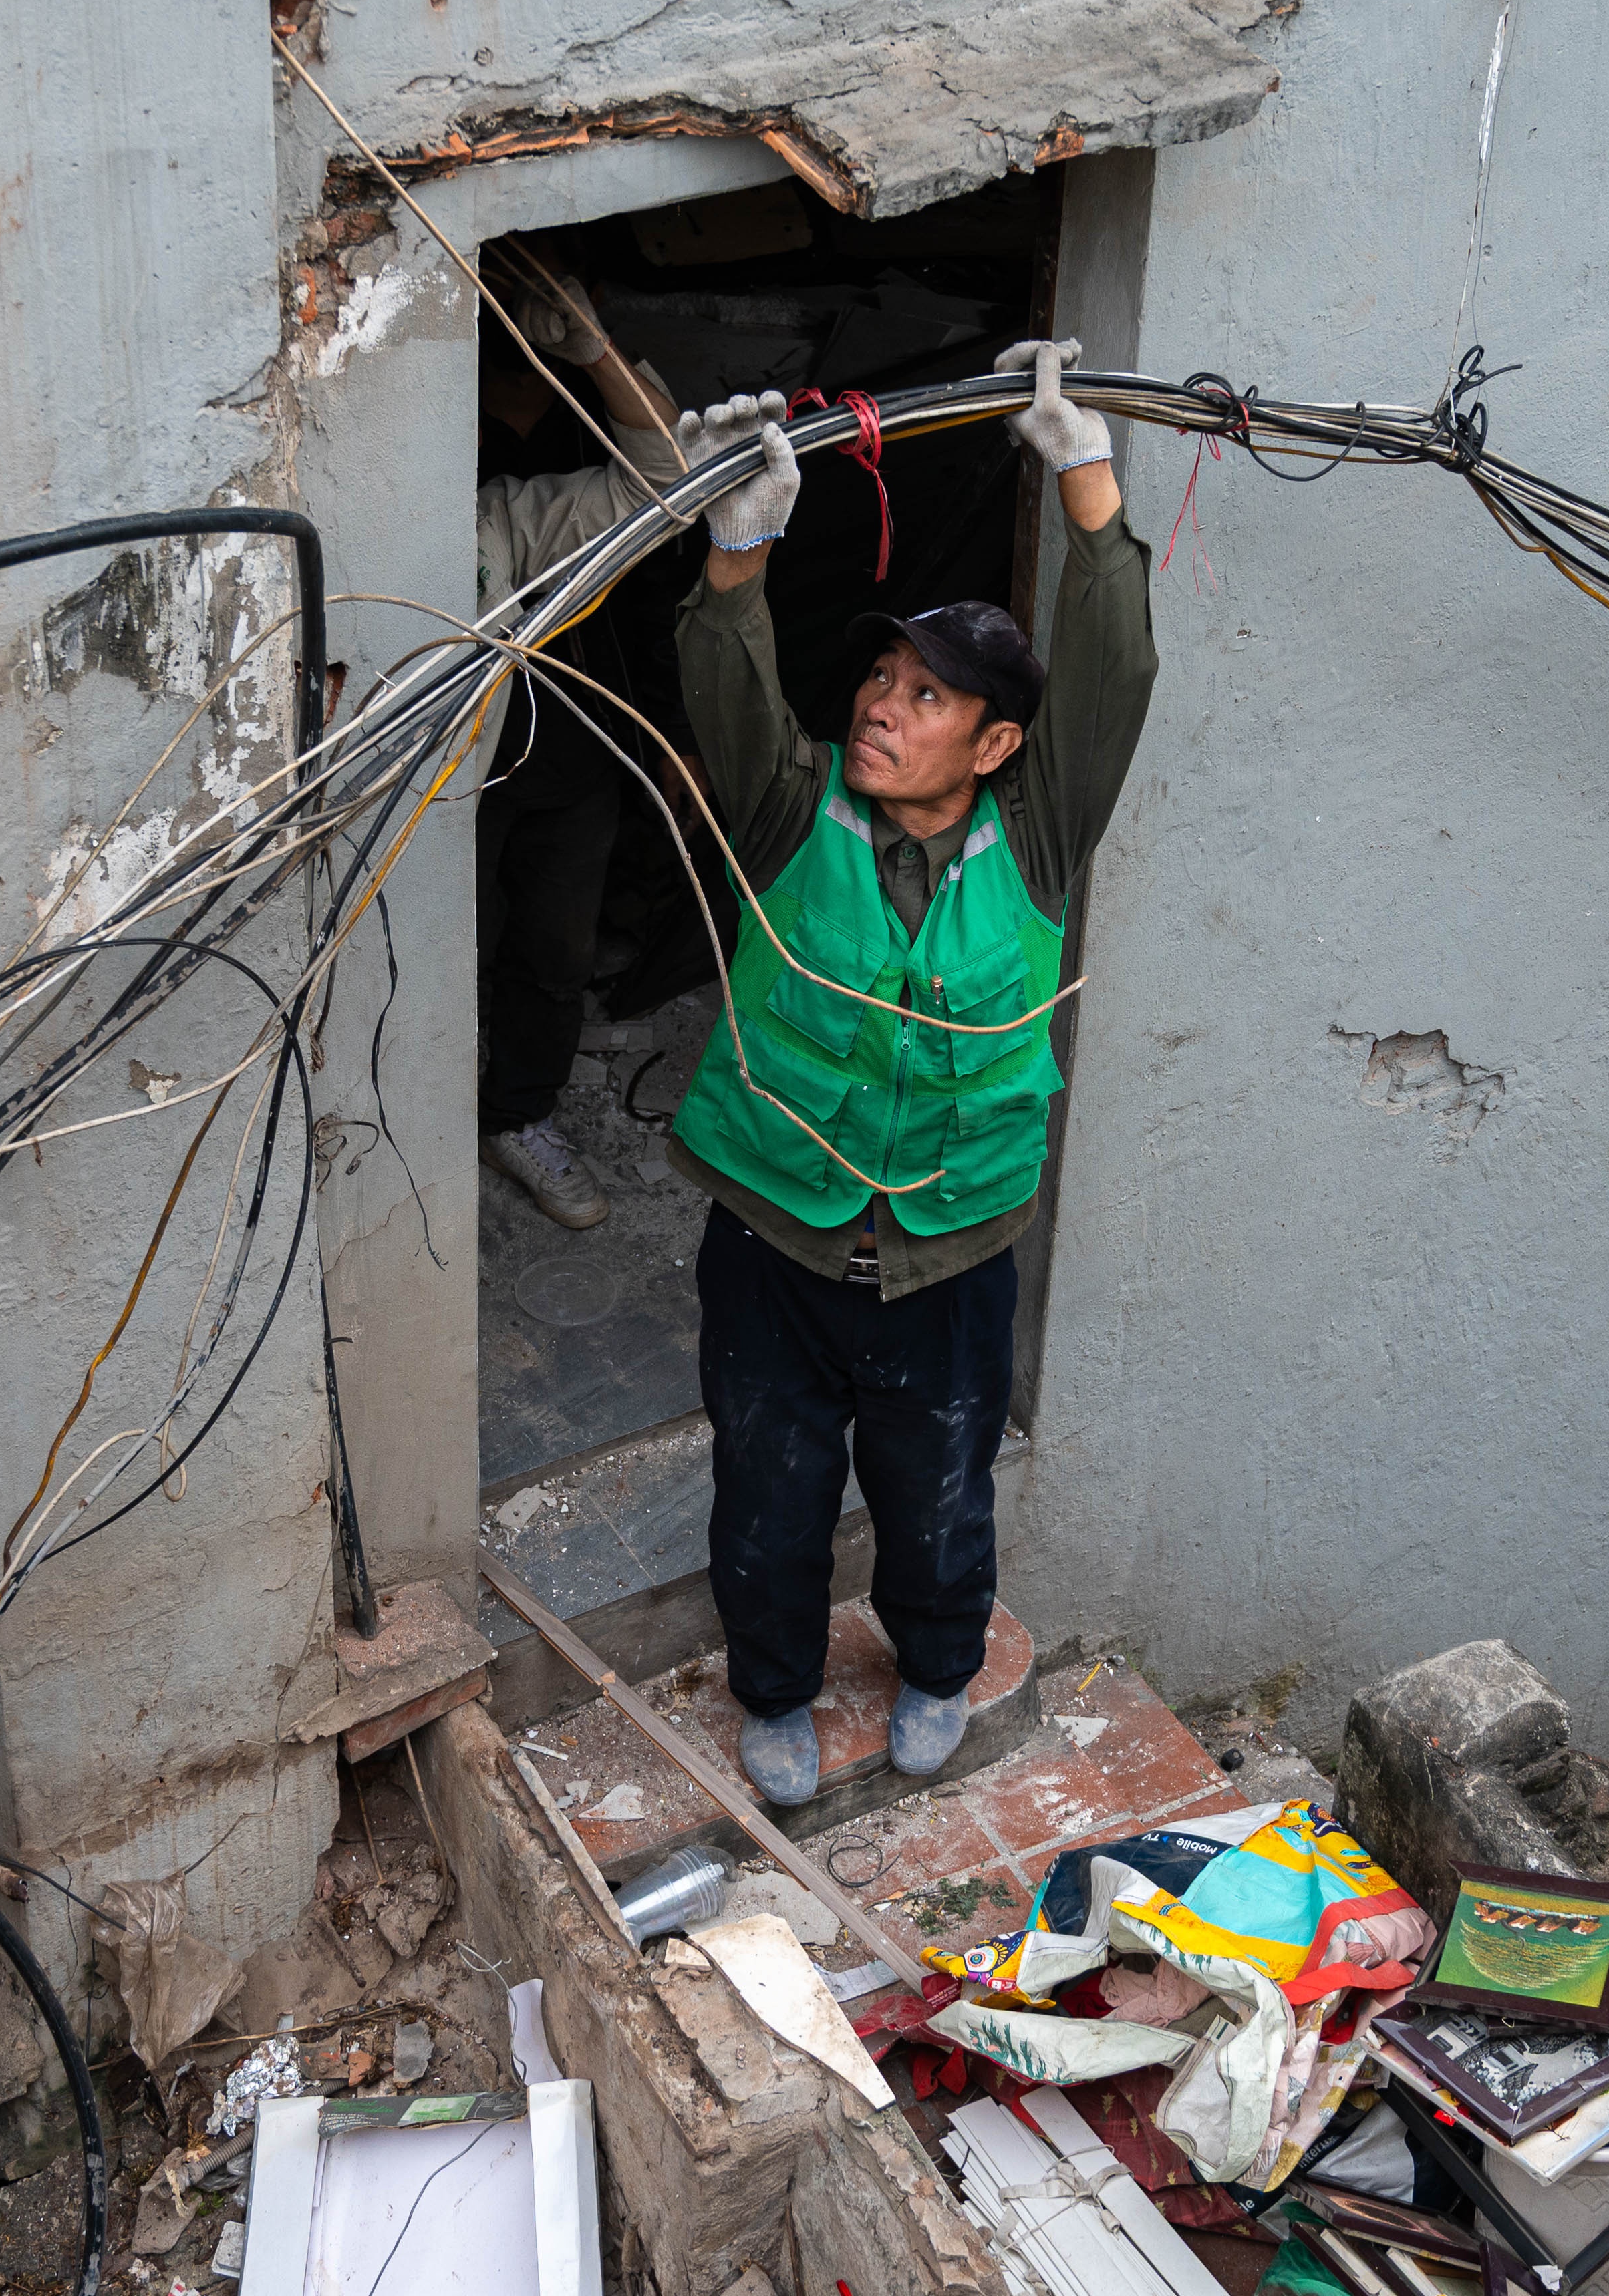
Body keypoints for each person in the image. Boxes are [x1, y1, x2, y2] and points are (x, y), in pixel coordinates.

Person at [662, 341, 1153, 1805]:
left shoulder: (1042, 830)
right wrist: (738, 550)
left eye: (928, 696)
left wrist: (1085, 476)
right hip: (775, 1233)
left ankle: (937, 1662)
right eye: (881, 677)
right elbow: (721, 672)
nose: (883, 703)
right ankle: (775, 1691)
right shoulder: (785, 800)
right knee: (770, 1490)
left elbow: (1116, 671)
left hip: (951, 1250)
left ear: (997, 742)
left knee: (939, 1489)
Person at [470, 282, 695, 1231]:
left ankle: (518, 1115)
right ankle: (414, 1123)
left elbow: (671, 485)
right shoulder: (436, 450)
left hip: (566, 748)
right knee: (446, 954)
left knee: (554, 951)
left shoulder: (509, 509)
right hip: (445, 785)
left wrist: (598, 355)